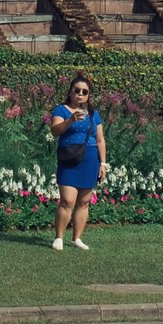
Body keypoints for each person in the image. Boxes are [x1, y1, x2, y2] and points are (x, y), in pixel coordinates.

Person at [48, 74, 105, 251]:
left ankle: (77, 238)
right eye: (77, 90)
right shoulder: (61, 110)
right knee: (67, 200)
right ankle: (59, 237)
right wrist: (71, 120)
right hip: (69, 157)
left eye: (84, 92)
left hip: (89, 158)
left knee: (84, 201)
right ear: (71, 92)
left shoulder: (94, 114)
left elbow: (101, 140)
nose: (80, 94)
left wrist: (103, 164)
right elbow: (55, 131)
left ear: (88, 96)